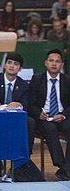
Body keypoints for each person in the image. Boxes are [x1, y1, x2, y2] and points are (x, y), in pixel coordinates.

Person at [0, 53, 31, 177]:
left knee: (30, 122)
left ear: (20, 69)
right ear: (4, 65)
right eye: (9, 62)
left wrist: (18, 104)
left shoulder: (24, 85)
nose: (12, 66)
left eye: (16, 64)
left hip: (14, 121)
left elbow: (26, 104)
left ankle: (20, 164)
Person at [28, 49, 70, 180]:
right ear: (45, 63)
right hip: (44, 118)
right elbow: (31, 103)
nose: (54, 64)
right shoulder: (37, 79)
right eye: (51, 61)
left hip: (61, 116)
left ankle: (67, 167)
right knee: (50, 129)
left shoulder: (67, 80)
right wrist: (38, 114)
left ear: (62, 65)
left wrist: (63, 115)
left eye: (57, 61)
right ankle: (63, 166)